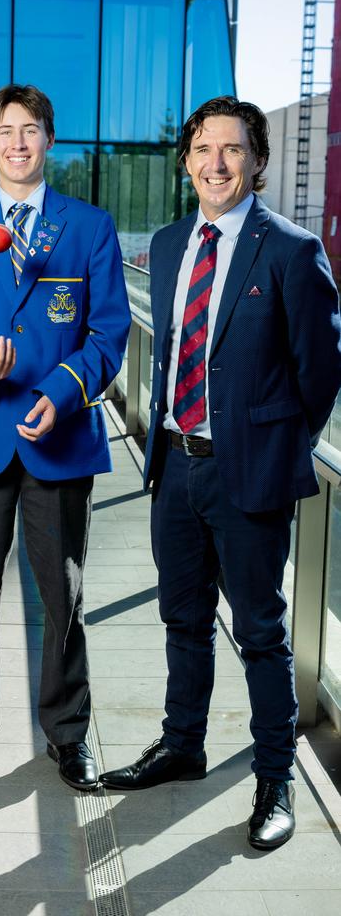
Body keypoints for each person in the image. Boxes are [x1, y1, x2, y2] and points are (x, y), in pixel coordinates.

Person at [100, 96, 341, 850]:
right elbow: (170, 347)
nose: (216, 163)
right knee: (183, 620)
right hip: (175, 466)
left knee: (262, 633)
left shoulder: (293, 252)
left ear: (257, 161)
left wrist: (270, 445)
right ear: (187, 160)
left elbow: (321, 376)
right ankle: (183, 744)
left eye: (232, 149)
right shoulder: (171, 242)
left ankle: (276, 779)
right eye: (203, 148)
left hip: (250, 477)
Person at [0, 84, 130, 791]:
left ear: (50, 141)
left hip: (60, 436)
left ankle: (68, 734)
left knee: (62, 595)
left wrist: (58, 392)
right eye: (5, 131)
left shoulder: (89, 227)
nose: (17, 142)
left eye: (31, 130)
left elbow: (109, 333)